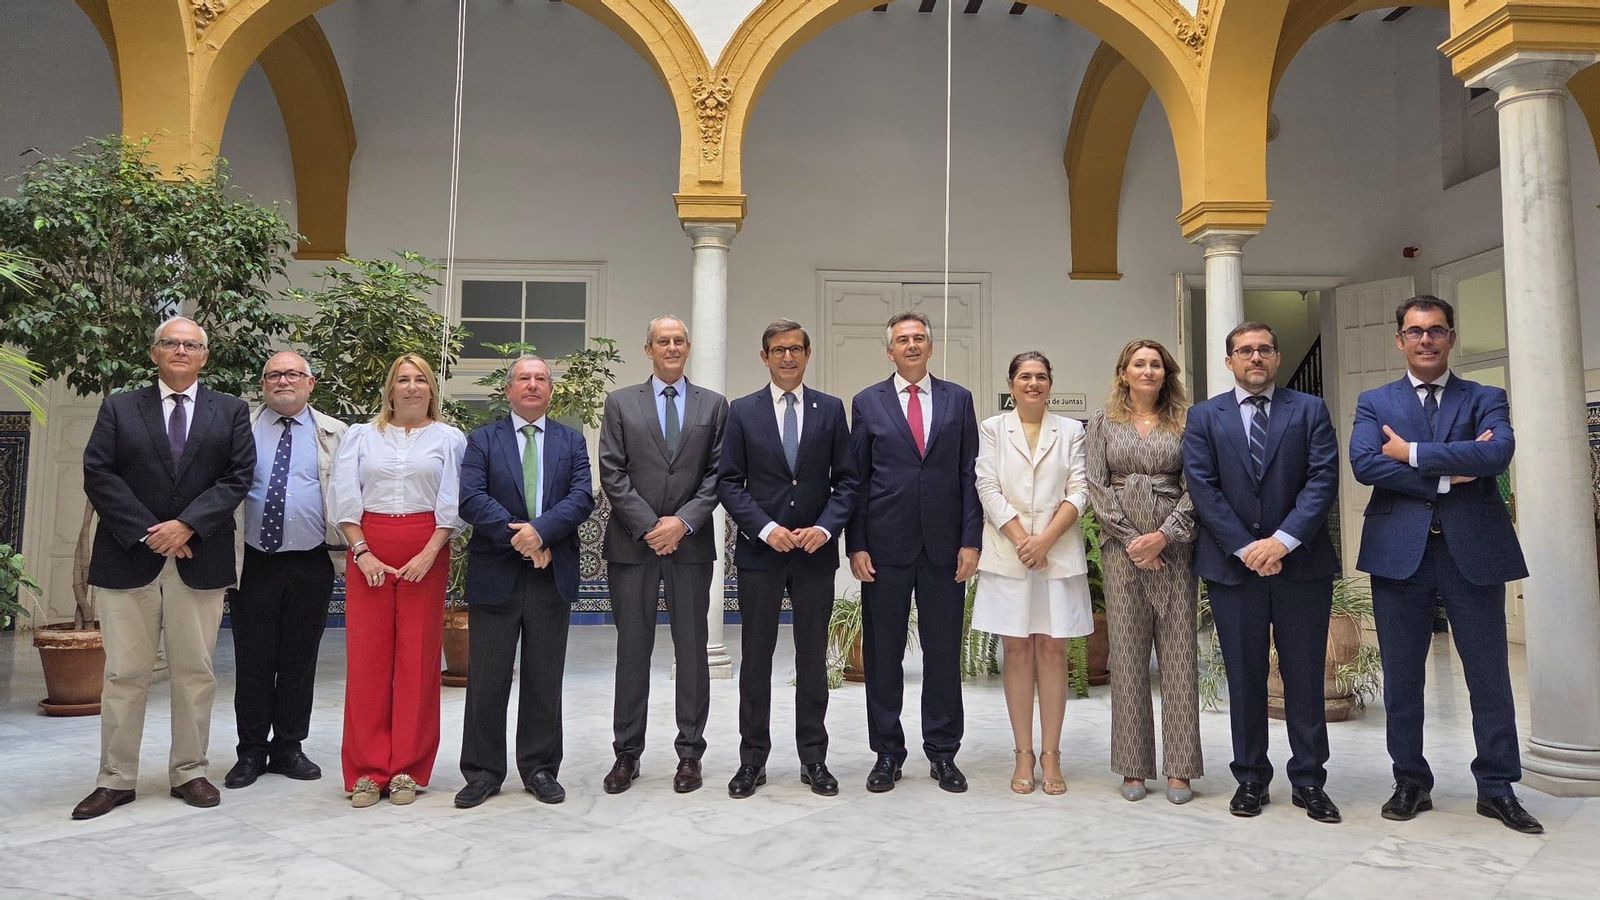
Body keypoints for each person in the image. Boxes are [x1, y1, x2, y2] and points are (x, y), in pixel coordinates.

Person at [1349, 295, 1541, 834]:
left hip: (1474, 551)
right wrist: (1447, 472)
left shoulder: (1485, 396)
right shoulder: (1374, 401)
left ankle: (1497, 787)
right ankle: (1410, 781)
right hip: (1398, 555)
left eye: (1436, 331)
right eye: (1415, 331)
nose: (1426, 340)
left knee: (1489, 676)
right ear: (1400, 340)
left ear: (1451, 337)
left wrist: (1409, 455)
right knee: (1403, 678)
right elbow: (1365, 463)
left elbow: (1496, 454)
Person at [72, 316, 254, 820]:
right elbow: (98, 473)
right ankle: (115, 779)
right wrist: (153, 531)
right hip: (128, 558)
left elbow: (237, 477)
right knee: (125, 673)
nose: (180, 350)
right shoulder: (119, 407)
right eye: (170, 343)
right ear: (154, 353)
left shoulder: (231, 411)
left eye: (191, 344)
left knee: (194, 673)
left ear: (204, 356)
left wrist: (188, 525)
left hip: (200, 559)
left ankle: (190, 771)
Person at [1182, 322, 1342, 823]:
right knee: (1245, 677)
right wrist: (1248, 547)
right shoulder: (1205, 416)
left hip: (1301, 564)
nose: (1256, 357)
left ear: (1277, 357)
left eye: (1265, 349)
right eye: (1245, 351)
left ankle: (1310, 780)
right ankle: (1250, 778)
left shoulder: (1309, 410)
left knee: (1304, 676)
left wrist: (1282, 541)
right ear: (1228, 361)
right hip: (1235, 569)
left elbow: (1322, 479)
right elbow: (1203, 488)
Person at [717, 319, 858, 798]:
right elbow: (728, 481)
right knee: (756, 657)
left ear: (808, 353)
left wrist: (824, 528)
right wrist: (766, 527)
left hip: (815, 554)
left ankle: (814, 759)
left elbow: (849, 482)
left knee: (812, 659)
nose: (787, 357)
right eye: (778, 350)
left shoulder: (831, 410)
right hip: (762, 553)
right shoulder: (742, 412)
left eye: (795, 349)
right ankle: (751, 760)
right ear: (764, 357)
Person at [847, 311, 981, 793]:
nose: (911, 346)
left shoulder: (958, 400)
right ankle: (887, 753)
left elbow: (969, 475)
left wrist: (971, 541)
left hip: (945, 547)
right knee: (883, 655)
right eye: (902, 340)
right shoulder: (867, 402)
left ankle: (943, 752)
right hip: (884, 547)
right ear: (889, 351)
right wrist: (856, 544)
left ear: (931, 346)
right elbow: (857, 479)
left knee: (943, 652)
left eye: (919, 338)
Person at [454, 356, 594, 809]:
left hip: (551, 575)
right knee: (487, 679)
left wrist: (541, 532)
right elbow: (471, 498)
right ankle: (482, 772)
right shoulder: (482, 441)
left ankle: (539, 768)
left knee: (543, 677)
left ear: (551, 390)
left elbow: (580, 498)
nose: (532, 386)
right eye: (523, 379)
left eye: (541, 379)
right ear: (508, 389)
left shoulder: (571, 441)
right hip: (496, 574)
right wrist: (522, 536)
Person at [599, 315, 728, 795]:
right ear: (648, 348)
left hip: (691, 545)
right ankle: (626, 754)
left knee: (692, 652)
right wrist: (651, 526)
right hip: (633, 547)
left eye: (678, 341)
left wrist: (683, 522)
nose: (671, 347)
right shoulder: (620, 403)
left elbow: (719, 474)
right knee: (632, 651)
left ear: (688, 347)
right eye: (662, 341)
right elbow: (612, 471)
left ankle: (690, 754)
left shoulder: (714, 406)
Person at [330, 354, 466, 808]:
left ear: (431, 389)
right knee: (368, 660)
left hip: (426, 548)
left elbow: (453, 501)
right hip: (369, 545)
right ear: (390, 389)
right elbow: (344, 497)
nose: (412, 387)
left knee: (417, 659)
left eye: (420, 380)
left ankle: (408, 767)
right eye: (403, 380)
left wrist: (430, 553)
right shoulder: (361, 436)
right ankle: (367, 771)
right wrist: (362, 552)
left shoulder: (448, 439)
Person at [1085, 339, 1202, 805]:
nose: (1148, 371)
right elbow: (1096, 485)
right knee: (1128, 659)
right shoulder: (1102, 422)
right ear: (1123, 373)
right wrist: (1135, 542)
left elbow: (1198, 487)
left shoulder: (1188, 422)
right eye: (1140, 364)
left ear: (1166, 373)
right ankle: (1133, 765)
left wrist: (1164, 536)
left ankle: (1179, 769)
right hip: (1120, 553)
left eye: (1156, 364)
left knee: (1177, 659)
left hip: (1175, 553)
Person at [225, 351, 347, 790]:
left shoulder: (337, 433)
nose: (283, 381)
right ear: (263, 384)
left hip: (312, 559)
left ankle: (290, 746)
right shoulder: (239, 427)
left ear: (310, 383)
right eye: (274, 374)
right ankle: (251, 750)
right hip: (252, 560)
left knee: (300, 657)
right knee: (253, 658)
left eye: (293, 374)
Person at [973, 351, 1091, 797]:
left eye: (1042, 376)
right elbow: (987, 485)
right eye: (1025, 376)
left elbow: (1080, 489)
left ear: (1050, 383)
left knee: (1054, 651)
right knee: (1018, 650)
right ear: (1012, 383)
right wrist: (1024, 538)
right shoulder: (992, 428)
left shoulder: (1072, 431)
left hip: (1057, 554)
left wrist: (1045, 540)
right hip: (1008, 553)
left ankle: (1051, 755)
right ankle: (1023, 753)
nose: (1034, 383)